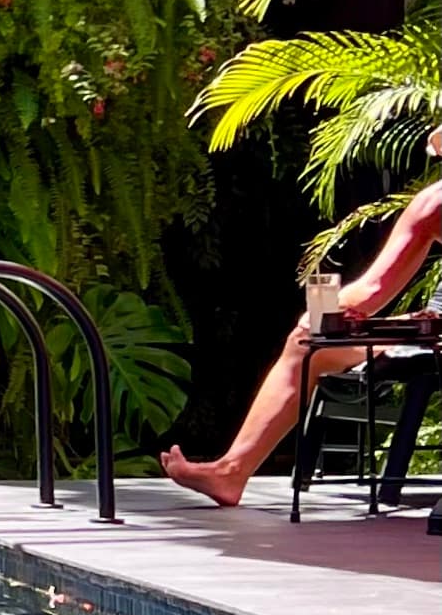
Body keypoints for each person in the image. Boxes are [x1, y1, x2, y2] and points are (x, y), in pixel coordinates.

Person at [164, 140, 442, 507]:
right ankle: (231, 472)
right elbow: (372, 289)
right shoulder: (433, 204)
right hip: (433, 330)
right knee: (306, 342)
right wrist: (328, 311)